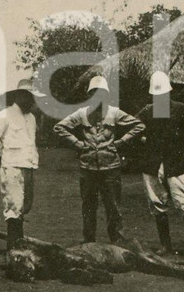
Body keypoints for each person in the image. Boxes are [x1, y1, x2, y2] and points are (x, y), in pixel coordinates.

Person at [54, 75, 145, 243]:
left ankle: (117, 242)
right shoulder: (82, 114)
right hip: (88, 168)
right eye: (94, 93)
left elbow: (139, 125)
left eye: (101, 93)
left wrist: (121, 142)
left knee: (113, 207)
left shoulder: (114, 112)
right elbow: (59, 127)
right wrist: (78, 143)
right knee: (88, 207)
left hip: (110, 167)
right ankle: (89, 243)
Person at [135, 71, 184, 262]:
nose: (160, 98)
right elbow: (131, 127)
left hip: (176, 164)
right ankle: (165, 245)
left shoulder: (180, 109)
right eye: (157, 95)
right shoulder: (147, 111)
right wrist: (141, 139)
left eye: (163, 95)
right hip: (153, 164)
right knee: (156, 203)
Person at [0, 78, 45, 250]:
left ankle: (19, 244)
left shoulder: (32, 118)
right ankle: (14, 248)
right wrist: (0, 155)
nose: (31, 101)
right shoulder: (5, 114)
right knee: (14, 206)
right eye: (28, 96)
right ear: (19, 96)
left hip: (29, 166)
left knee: (25, 206)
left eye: (33, 97)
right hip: (12, 167)